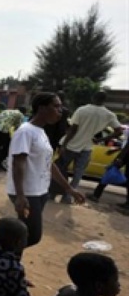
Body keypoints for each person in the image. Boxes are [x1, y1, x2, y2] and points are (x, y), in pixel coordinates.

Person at [7, 92, 85, 248]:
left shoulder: (41, 132)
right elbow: (18, 163)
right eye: (56, 106)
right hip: (27, 193)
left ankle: (9, 264)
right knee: (32, 236)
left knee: (24, 234)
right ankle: (0, 256)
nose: (60, 110)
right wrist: (20, 196)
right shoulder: (25, 132)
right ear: (42, 108)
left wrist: (69, 189)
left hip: (40, 191)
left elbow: (48, 164)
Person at [54, 91, 122, 204]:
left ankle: (53, 192)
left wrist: (64, 145)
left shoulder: (82, 110)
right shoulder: (109, 115)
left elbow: (73, 129)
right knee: (78, 173)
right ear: (105, 100)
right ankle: (67, 197)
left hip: (71, 145)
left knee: (60, 169)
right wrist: (99, 140)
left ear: (93, 97)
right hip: (86, 147)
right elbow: (119, 131)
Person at [87, 126, 129, 208]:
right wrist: (116, 150)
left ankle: (96, 195)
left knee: (109, 171)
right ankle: (127, 204)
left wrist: (120, 158)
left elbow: (127, 145)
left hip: (125, 156)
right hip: (125, 154)